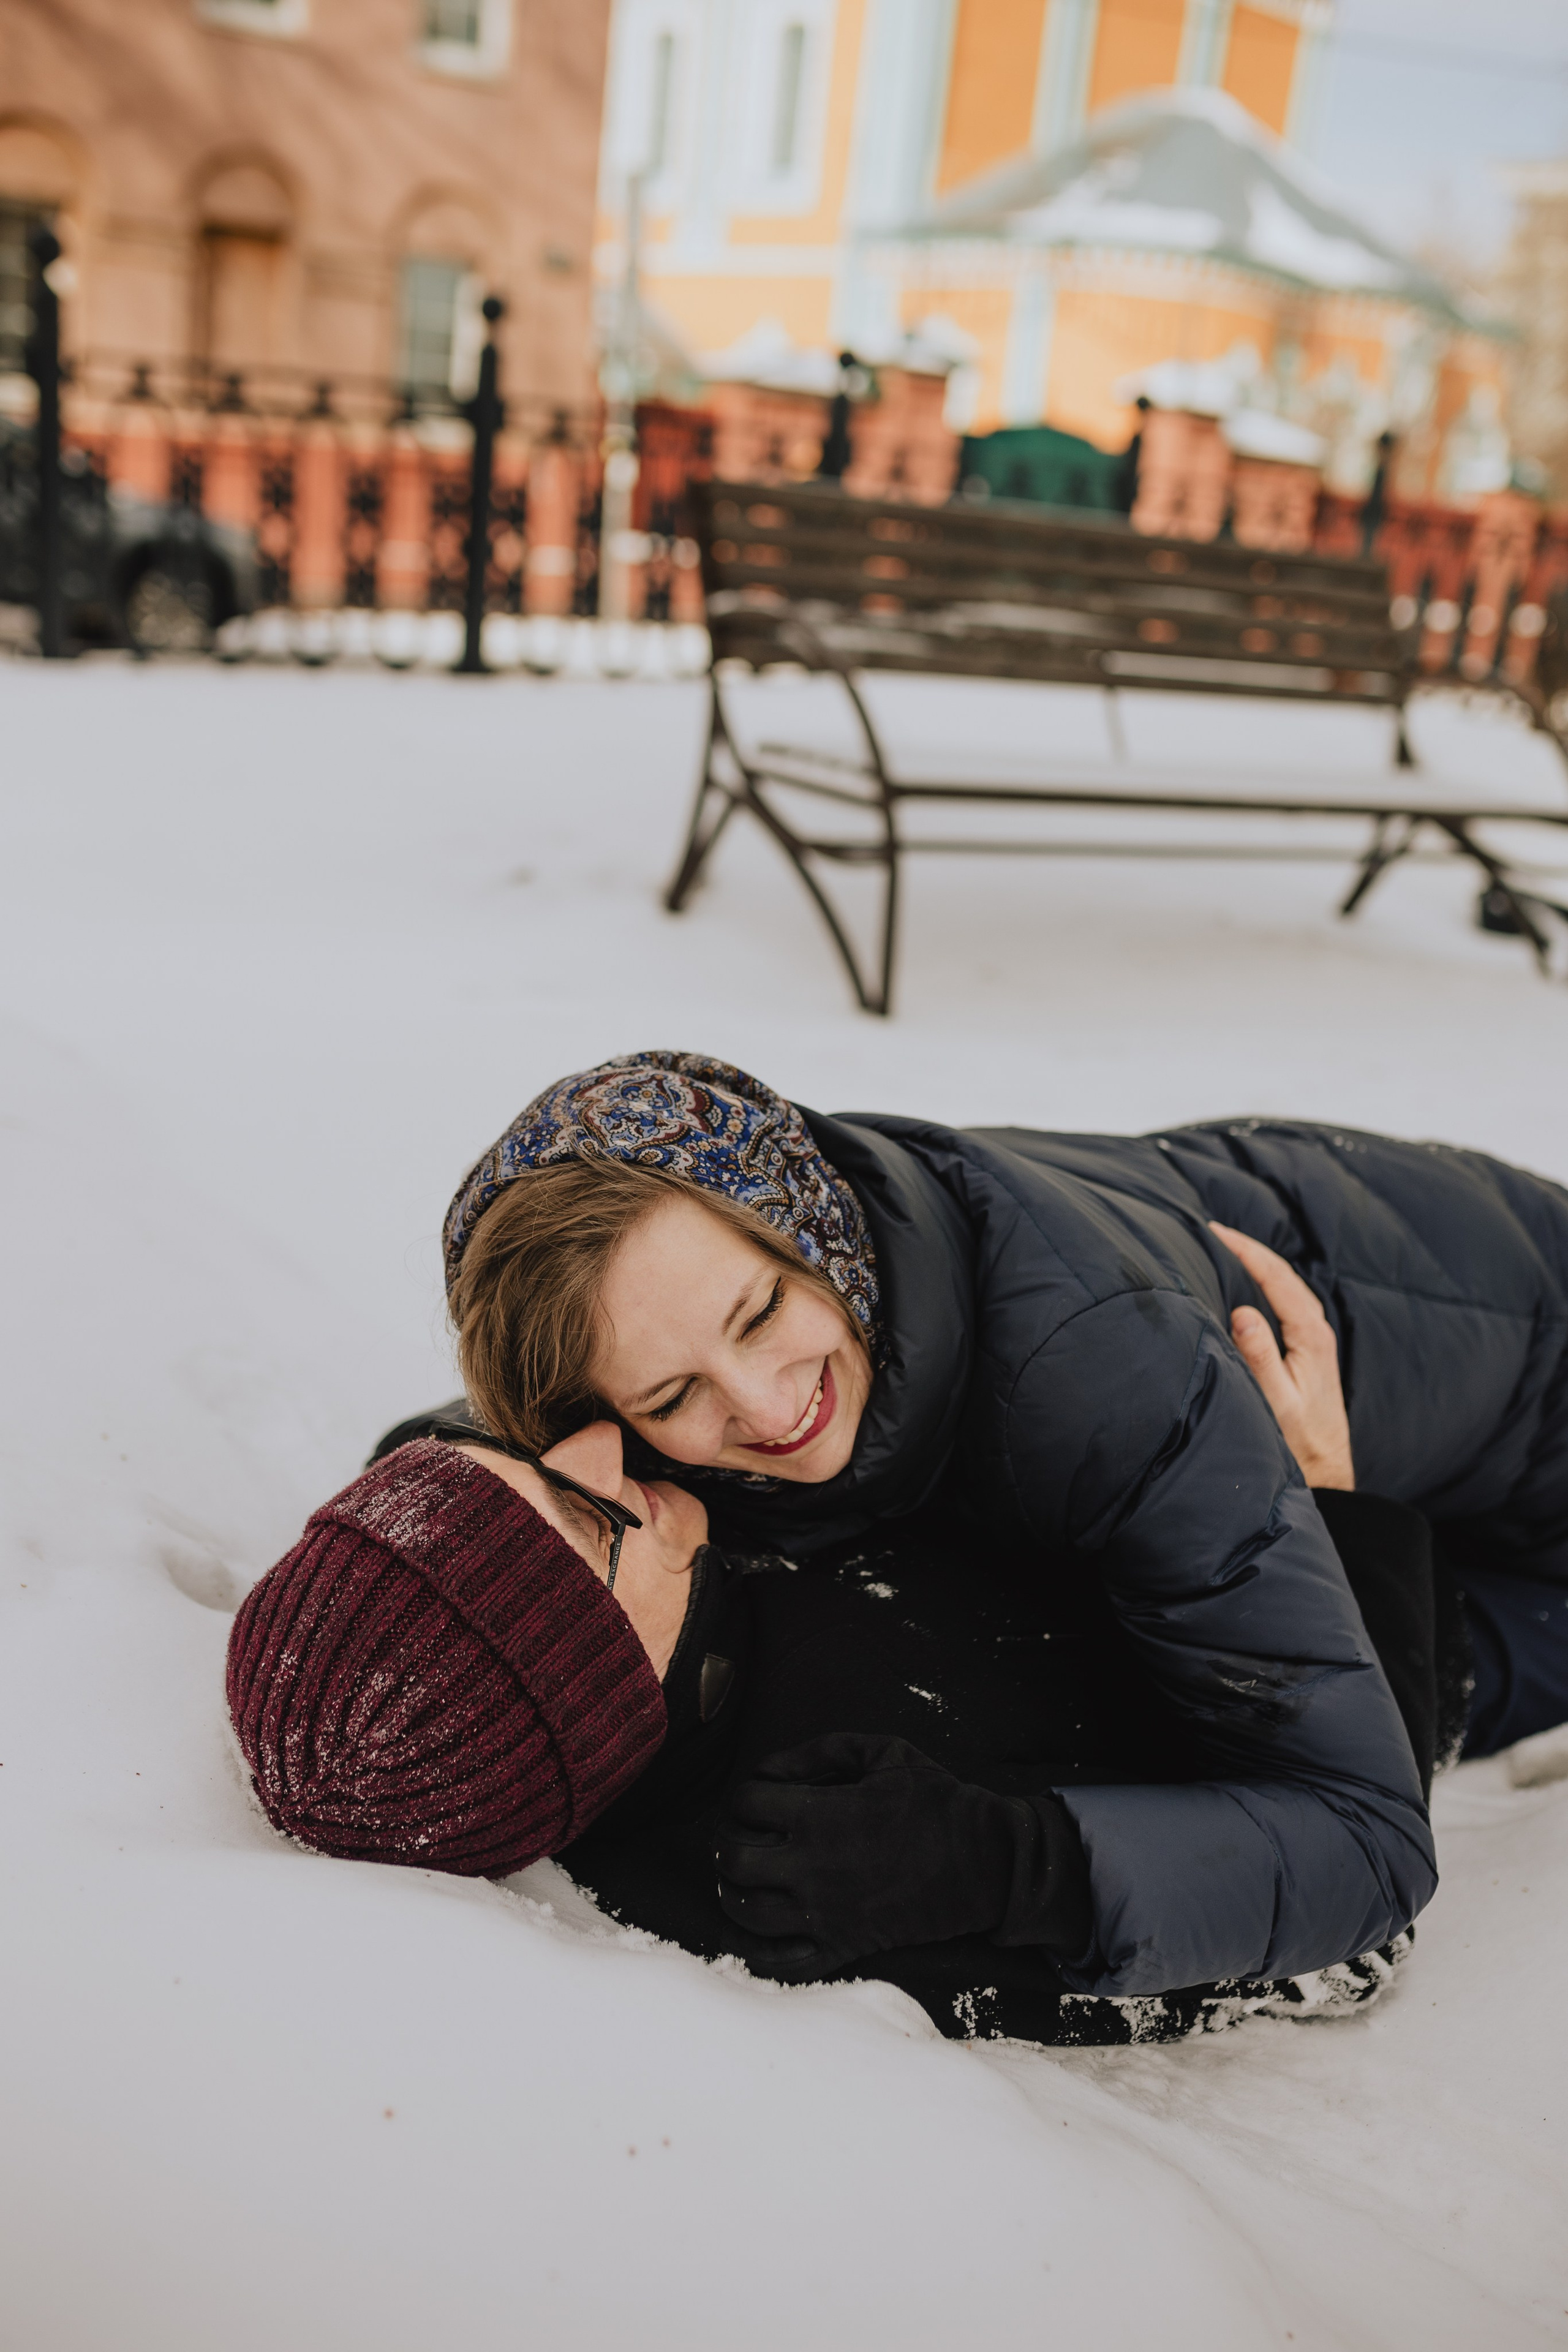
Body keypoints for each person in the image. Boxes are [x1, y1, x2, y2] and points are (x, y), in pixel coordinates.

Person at [414, 1052, 1568, 1999]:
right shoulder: (656, 1386)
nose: (766, 1408)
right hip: (1420, 1493)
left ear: (813, 1224)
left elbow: (1364, 1844)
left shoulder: (1099, 1379)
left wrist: (1012, 1869)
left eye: (763, 1311)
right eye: (672, 1399)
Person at [227, 1233, 1476, 2045]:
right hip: (1376, 1611)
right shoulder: (839, 1849)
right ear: (597, 1681)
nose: (601, 1443)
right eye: (572, 1504)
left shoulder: (565, 1546)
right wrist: (1325, 1506)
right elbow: (1338, 1936)